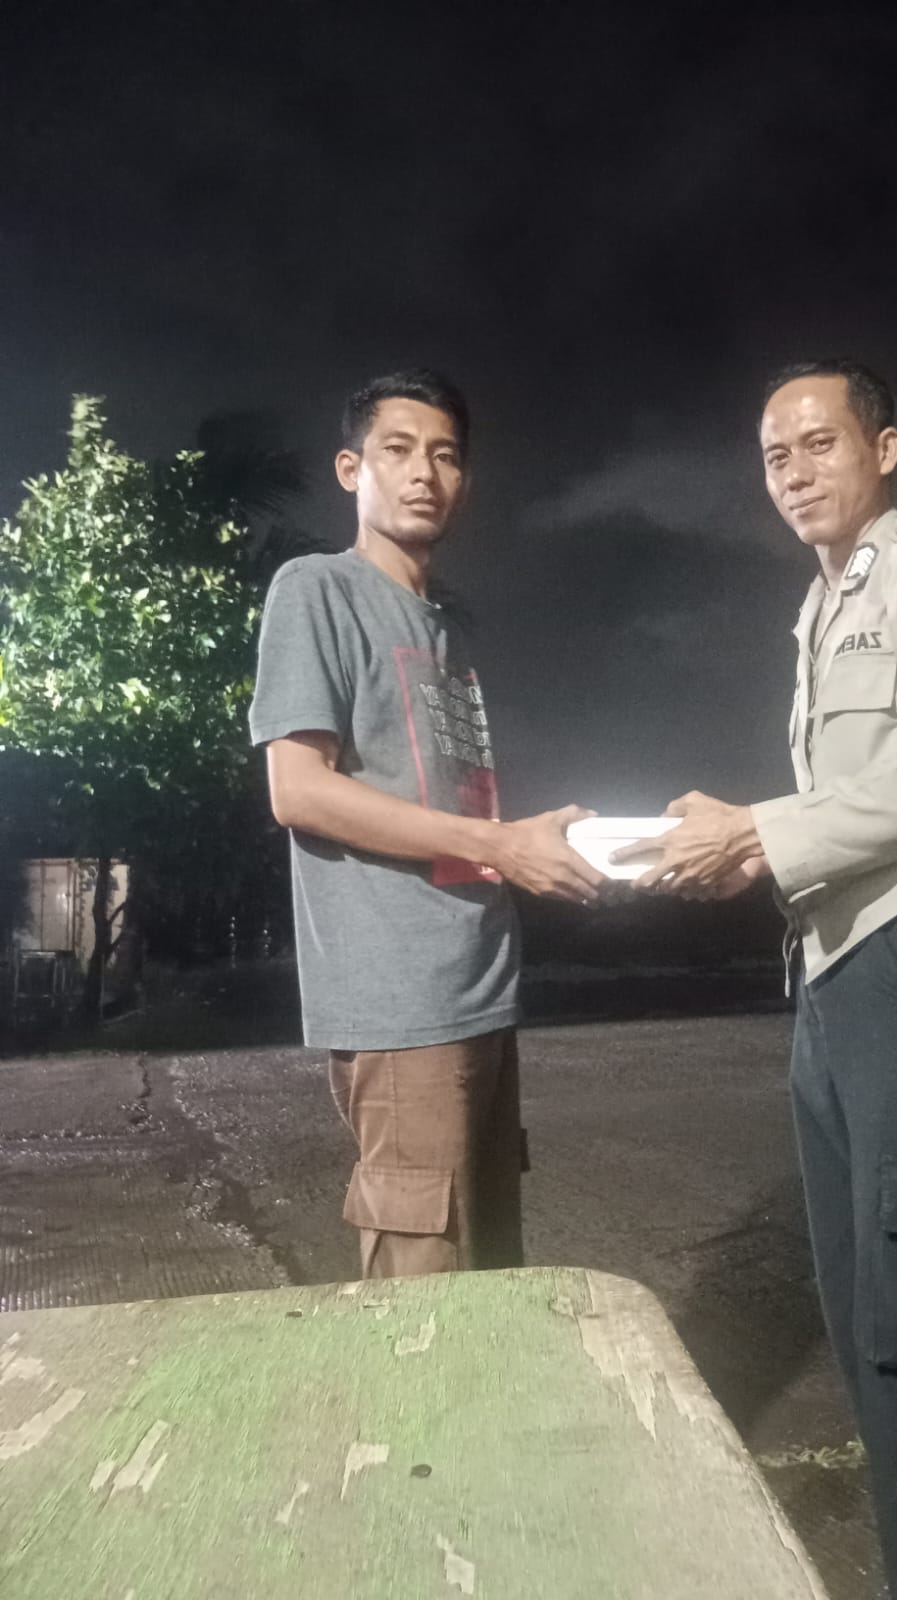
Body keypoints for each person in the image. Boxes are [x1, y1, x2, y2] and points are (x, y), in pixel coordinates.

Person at [618, 359, 897, 1600]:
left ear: (883, 448)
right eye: (774, 455)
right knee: (870, 1324)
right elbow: (853, 803)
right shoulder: (819, 605)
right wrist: (751, 851)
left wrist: (759, 827)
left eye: (819, 442)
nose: (794, 471)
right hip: (835, 965)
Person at [249, 369, 603, 1279]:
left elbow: (449, 814)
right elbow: (299, 791)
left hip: (480, 989)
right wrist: (500, 844)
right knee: (423, 1296)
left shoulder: (447, 630)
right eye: (398, 450)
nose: (423, 473)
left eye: (445, 456)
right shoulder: (317, 589)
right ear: (351, 469)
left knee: (490, 1280)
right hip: (403, 1006)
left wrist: (534, 842)